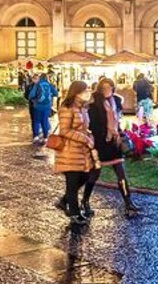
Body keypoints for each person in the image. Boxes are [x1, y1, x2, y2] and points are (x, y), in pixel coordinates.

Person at [86, 77, 138, 214]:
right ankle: (85, 201)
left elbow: (117, 120)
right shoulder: (94, 103)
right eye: (104, 88)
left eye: (109, 87)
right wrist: (106, 132)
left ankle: (128, 202)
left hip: (115, 142)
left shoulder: (116, 101)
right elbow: (92, 125)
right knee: (95, 173)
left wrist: (118, 132)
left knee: (121, 173)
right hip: (101, 142)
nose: (107, 90)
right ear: (100, 89)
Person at [55, 81, 97, 224]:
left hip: (82, 150)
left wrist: (89, 136)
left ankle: (64, 201)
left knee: (86, 175)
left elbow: (85, 127)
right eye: (85, 91)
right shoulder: (67, 108)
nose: (88, 93)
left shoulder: (83, 107)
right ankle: (75, 213)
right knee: (72, 182)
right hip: (70, 150)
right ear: (77, 92)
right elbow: (64, 130)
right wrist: (85, 139)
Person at [26, 73, 58, 145]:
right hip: (47, 106)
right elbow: (56, 93)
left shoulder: (38, 84)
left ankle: (36, 137)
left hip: (37, 106)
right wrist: (50, 95)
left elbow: (31, 95)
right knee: (45, 121)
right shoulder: (49, 85)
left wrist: (33, 99)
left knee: (36, 121)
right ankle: (45, 137)